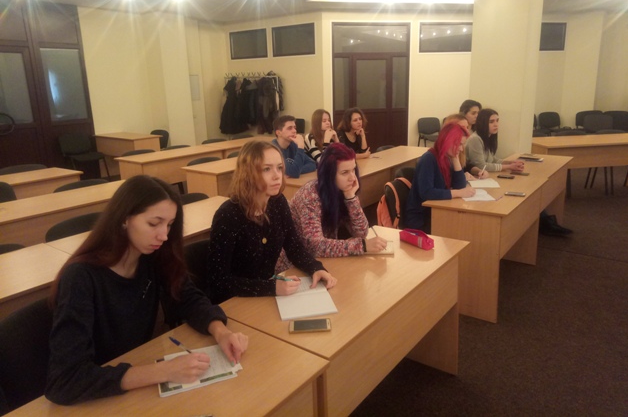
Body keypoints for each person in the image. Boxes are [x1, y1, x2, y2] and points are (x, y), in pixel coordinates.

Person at [45, 175, 248, 406]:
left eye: (169, 225)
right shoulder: (80, 277)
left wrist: (221, 332)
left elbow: (187, 297)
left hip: (138, 376)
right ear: (124, 219)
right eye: (154, 224)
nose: (164, 235)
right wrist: (163, 371)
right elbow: (64, 381)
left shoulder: (152, 255)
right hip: (102, 395)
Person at [205, 140, 337, 305]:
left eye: (279, 168)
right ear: (248, 173)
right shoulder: (228, 215)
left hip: (264, 295)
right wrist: (272, 287)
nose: (277, 176)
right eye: (267, 169)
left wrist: (315, 268)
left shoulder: (277, 202)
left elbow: (294, 247)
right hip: (233, 303)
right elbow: (219, 282)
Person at [289, 143, 387, 258]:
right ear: (329, 175)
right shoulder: (310, 195)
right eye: (345, 172)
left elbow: (361, 233)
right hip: (295, 262)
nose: (352, 178)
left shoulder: (342, 189)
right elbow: (315, 246)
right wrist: (362, 246)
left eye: (353, 170)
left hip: (322, 258)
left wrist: (351, 197)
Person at [405, 123, 476, 233]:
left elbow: (460, 186)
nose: (462, 149)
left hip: (436, 211)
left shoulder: (447, 157)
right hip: (421, 217)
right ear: (448, 141)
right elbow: (427, 192)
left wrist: (455, 159)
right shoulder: (428, 159)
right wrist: (458, 193)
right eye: (459, 144)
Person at [465, 108, 526, 173]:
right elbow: (480, 166)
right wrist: (509, 167)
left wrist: (510, 163)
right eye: (491, 122)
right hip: (474, 175)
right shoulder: (475, 139)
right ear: (482, 123)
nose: (496, 124)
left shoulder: (487, 137)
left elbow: (492, 159)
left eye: (497, 121)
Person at [442, 113, 489, 180]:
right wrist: (461, 177)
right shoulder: (442, 153)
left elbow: (465, 166)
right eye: (462, 128)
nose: (467, 131)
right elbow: (443, 179)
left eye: (467, 127)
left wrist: (478, 171)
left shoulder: (460, 146)